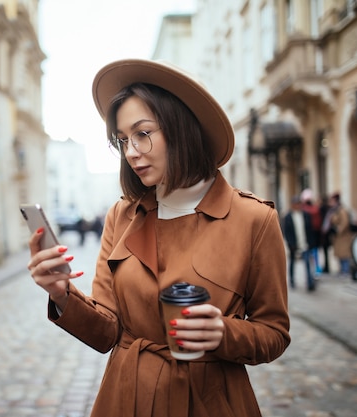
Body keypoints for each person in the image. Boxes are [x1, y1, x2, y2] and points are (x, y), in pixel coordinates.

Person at [26, 59, 290, 417]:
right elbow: (107, 332)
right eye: (122, 140)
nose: (131, 151)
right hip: (126, 397)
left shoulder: (254, 219)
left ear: (180, 128)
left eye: (143, 134)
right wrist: (61, 293)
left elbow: (274, 333)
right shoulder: (122, 215)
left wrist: (222, 333)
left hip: (210, 400)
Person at [283, 195, 316, 291]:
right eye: (296, 204)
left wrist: (311, 242)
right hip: (293, 245)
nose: (298, 206)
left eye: (299, 204)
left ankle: (310, 282)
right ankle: (292, 280)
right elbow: (287, 232)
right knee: (292, 263)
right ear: (292, 205)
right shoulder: (288, 217)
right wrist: (291, 244)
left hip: (305, 244)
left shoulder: (306, 215)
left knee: (307, 263)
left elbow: (310, 230)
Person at [322, 192, 357, 275]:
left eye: (332, 201)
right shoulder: (334, 210)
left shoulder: (341, 210)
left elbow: (345, 222)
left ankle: (345, 270)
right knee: (340, 255)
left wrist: (339, 230)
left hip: (343, 237)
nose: (330, 203)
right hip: (338, 238)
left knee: (344, 254)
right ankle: (343, 270)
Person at [300, 188, 322, 275]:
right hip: (315, 233)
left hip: (309, 234)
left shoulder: (305, 210)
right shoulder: (315, 208)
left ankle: (313, 270)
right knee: (315, 252)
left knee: (309, 253)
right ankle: (317, 268)